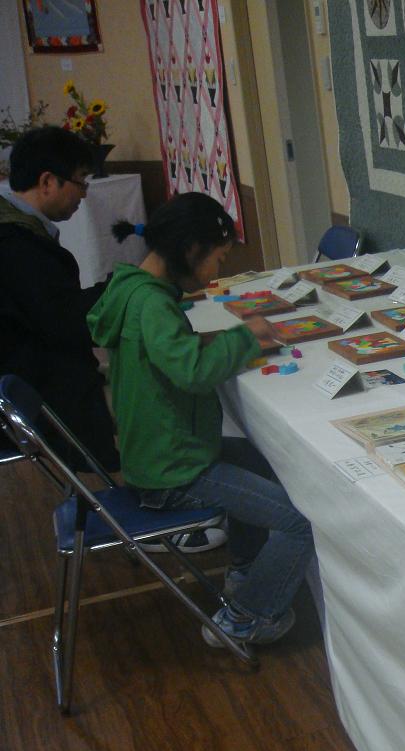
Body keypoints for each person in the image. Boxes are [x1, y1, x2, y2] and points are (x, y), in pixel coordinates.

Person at [88, 192, 314, 645]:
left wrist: (223, 336)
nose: (217, 271)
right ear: (191, 250)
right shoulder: (153, 303)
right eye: (218, 259)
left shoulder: (132, 288)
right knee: (298, 521)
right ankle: (248, 616)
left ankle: (246, 571)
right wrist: (244, 339)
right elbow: (192, 372)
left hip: (163, 453)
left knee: (257, 459)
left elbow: (169, 348)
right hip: (173, 471)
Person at [0, 125, 118, 471]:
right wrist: (122, 286)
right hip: (43, 387)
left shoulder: (17, 230)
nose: (84, 194)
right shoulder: (16, 246)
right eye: (81, 181)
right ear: (48, 181)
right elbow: (67, 322)